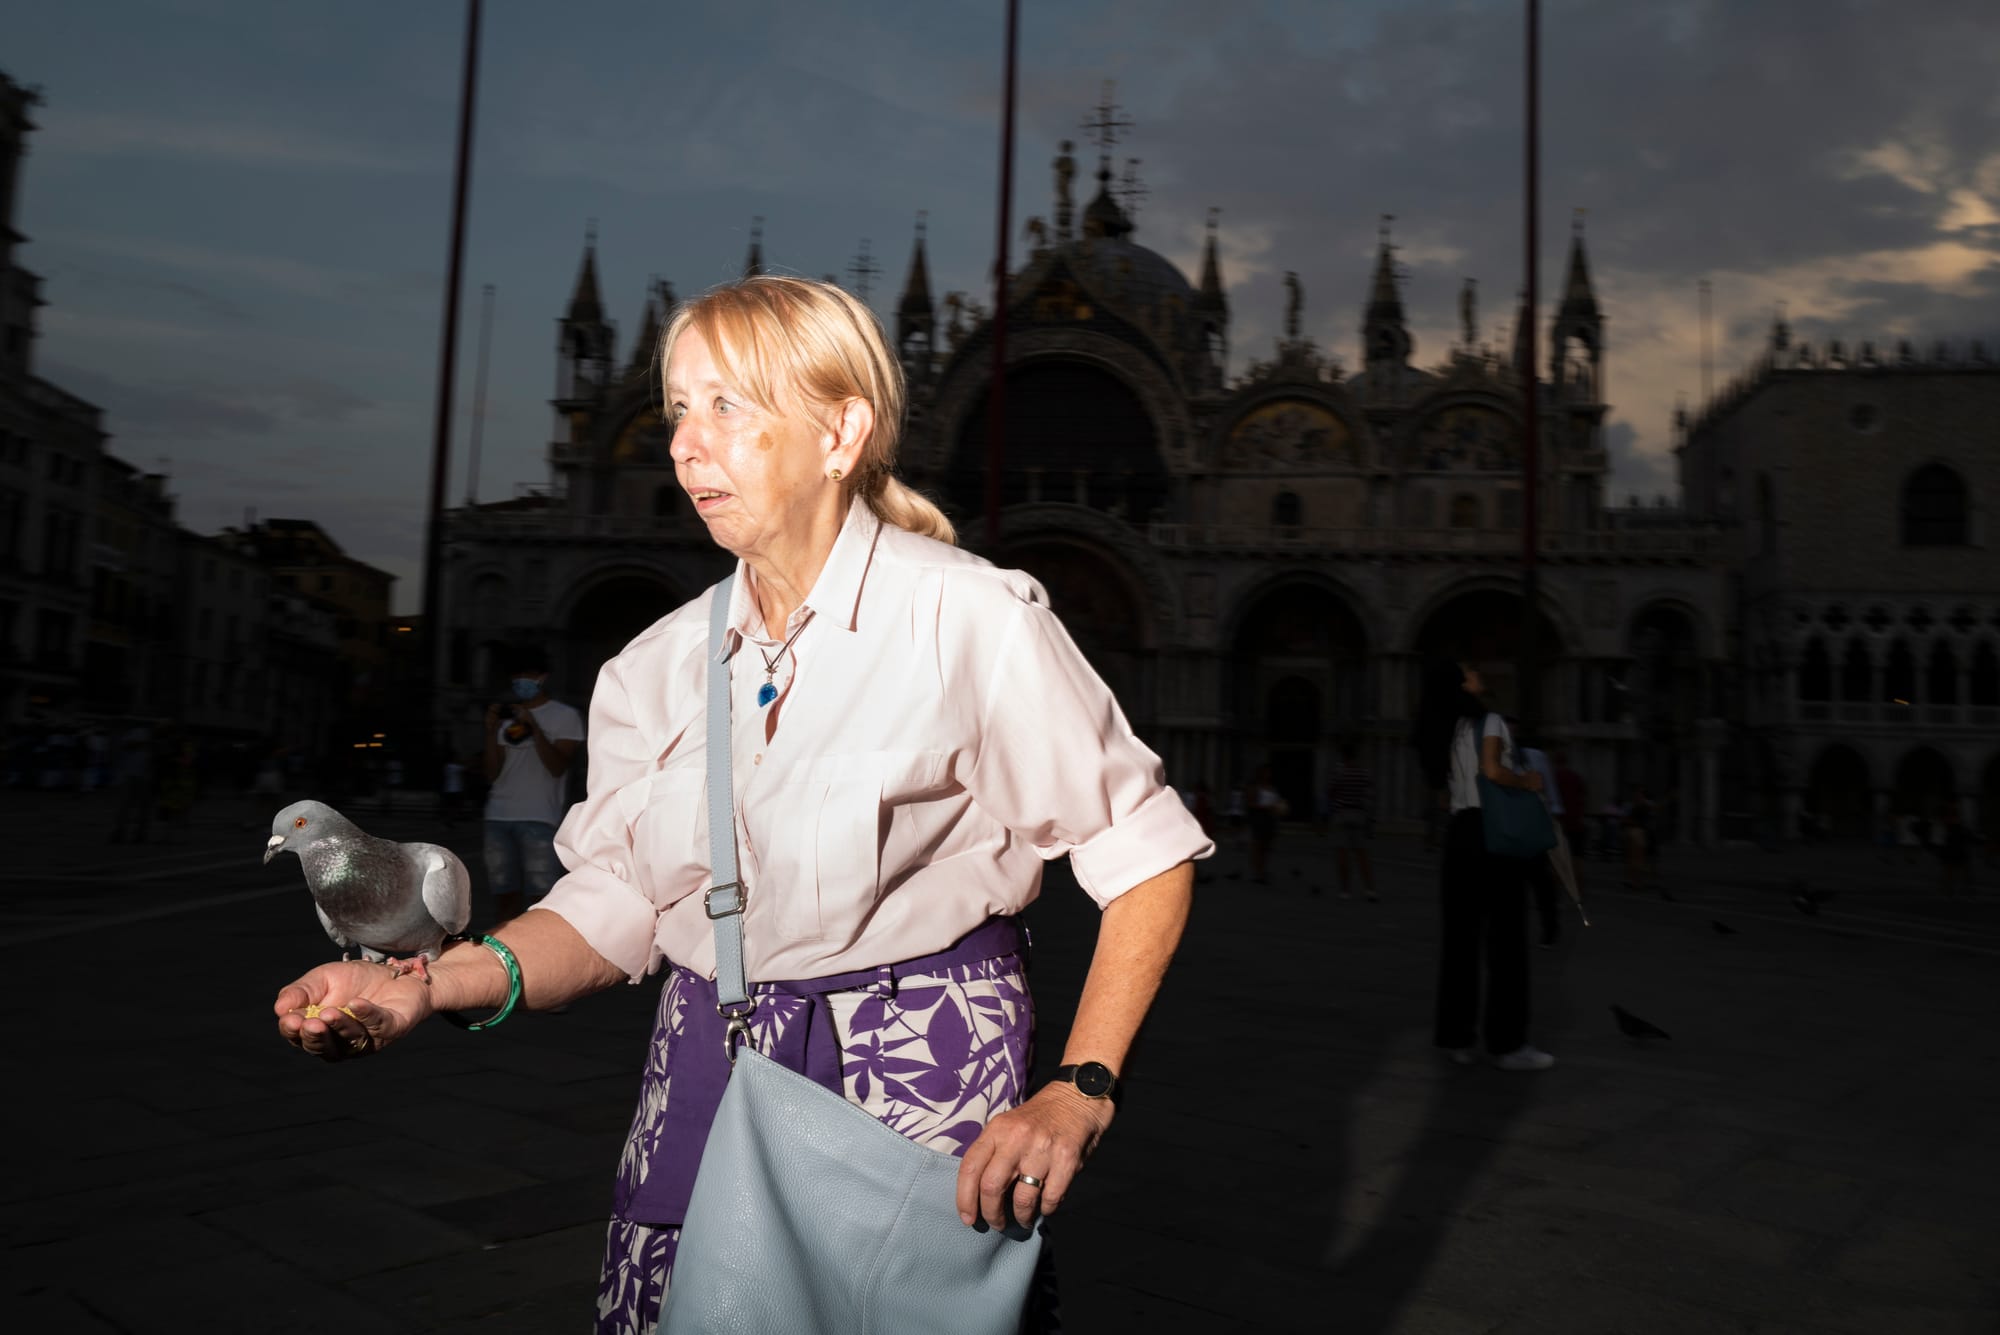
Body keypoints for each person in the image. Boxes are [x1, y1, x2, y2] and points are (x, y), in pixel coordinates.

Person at [274, 274, 1209, 1334]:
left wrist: (1077, 1088)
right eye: (678, 408)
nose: (682, 444)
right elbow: (617, 904)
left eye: (727, 406)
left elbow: (1143, 856)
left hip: (925, 1080)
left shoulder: (969, 618)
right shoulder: (653, 668)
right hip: (709, 1069)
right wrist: (430, 984)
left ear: (840, 431)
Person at [1410, 659, 1555, 1071]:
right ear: (1462, 684)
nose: (1478, 675)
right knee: (1506, 941)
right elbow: (1493, 771)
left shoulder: (1438, 727)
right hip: (1493, 834)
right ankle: (1508, 1044)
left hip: (1459, 837)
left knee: (1460, 941)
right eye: (1471, 672)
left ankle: (1457, 1038)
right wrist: (1527, 781)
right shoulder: (1489, 721)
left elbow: (1443, 789)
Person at [480, 645, 585, 923]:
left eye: (527, 675)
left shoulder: (565, 717)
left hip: (540, 817)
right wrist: (491, 732)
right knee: (504, 896)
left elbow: (557, 766)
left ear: (542, 677)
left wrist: (534, 726)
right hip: (498, 817)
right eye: (516, 677)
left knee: (542, 899)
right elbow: (492, 772)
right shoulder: (507, 719)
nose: (520, 682)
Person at [1509, 718, 1564, 948]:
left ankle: (1550, 928)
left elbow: (1551, 795)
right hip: (1508, 832)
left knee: (1541, 884)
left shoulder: (1535, 758)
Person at [1327, 740, 1376, 901]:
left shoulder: (1339, 773)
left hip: (1341, 814)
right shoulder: (1364, 773)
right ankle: (1369, 890)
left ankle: (1345, 891)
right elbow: (1369, 794)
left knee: (1343, 854)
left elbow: (1331, 792)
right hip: (1359, 814)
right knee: (1361, 854)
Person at [1247, 765, 1284, 884]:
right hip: (1260, 817)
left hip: (1271, 818)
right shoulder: (1256, 788)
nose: (1268, 775)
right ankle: (1257, 873)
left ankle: (1263, 870)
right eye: (1266, 772)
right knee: (1258, 846)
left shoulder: (1273, 788)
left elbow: (1278, 802)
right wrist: (1266, 807)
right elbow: (1251, 804)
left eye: (1269, 773)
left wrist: (1280, 808)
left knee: (1267, 846)